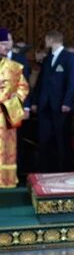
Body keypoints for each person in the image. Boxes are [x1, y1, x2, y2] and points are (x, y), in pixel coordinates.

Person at [28, 29, 74, 172]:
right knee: (44, 141)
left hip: (61, 107)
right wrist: (34, 102)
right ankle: (45, 171)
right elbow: (40, 83)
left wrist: (67, 102)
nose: (45, 43)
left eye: (46, 40)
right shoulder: (47, 59)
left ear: (51, 40)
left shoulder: (69, 57)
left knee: (61, 141)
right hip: (45, 107)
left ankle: (63, 171)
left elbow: (72, 82)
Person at [0, 28, 29, 187]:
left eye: (6, 44)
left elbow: (23, 87)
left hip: (7, 114)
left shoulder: (15, 67)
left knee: (8, 149)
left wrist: (14, 100)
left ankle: (7, 180)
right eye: (3, 44)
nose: (6, 47)